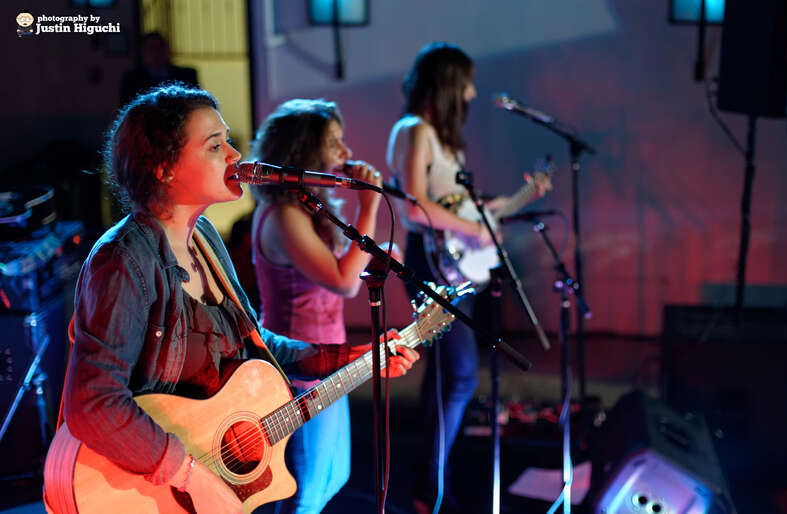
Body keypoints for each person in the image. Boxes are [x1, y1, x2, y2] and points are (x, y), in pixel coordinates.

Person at [52, 85, 417, 513]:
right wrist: (189, 473)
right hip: (139, 489)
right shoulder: (123, 260)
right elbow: (93, 405)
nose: (234, 155)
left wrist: (350, 357)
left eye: (228, 140)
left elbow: (254, 342)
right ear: (165, 168)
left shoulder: (205, 239)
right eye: (215, 145)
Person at [386, 43, 550, 513]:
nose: (474, 93)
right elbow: (415, 205)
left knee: (451, 375)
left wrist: (523, 195)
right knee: (455, 374)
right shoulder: (414, 130)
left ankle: (435, 480)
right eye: (467, 83)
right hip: (431, 261)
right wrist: (473, 229)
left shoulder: (439, 138)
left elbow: (465, 208)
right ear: (448, 85)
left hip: (453, 260)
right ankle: (428, 485)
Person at [249, 98, 384, 513]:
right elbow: (345, 282)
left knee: (333, 475)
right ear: (304, 153)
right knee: (304, 487)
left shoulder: (307, 209)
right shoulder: (283, 214)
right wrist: (369, 207)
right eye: (335, 144)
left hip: (328, 361)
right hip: (298, 367)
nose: (346, 154)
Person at [120, 32, 199, 106]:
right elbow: (126, 108)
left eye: (160, 47)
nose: (156, 52)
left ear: (168, 50)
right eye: (151, 48)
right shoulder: (131, 79)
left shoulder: (187, 75)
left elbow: (196, 104)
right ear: (143, 52)